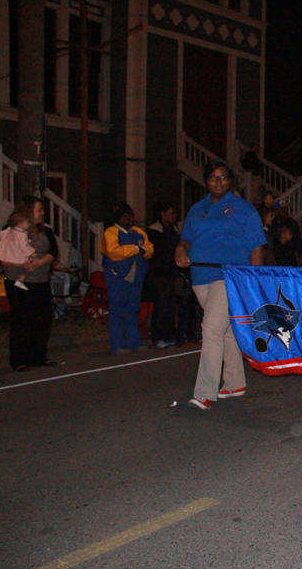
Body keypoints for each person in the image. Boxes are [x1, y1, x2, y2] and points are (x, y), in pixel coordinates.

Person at [175, 159, 266, 410]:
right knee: (224, 331)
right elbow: (186, 239)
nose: (218, 182)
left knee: (211, 329)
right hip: (200, 277)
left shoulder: (244, 210)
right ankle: (235, 382)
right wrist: (180, 251)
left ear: (231, 181)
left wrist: (252, 282)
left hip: (229, 277)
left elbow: (257, 247)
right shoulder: (197, 209)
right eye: (214, 177)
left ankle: (205, 391)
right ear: (206, 181)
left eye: (224, 177)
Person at [0, 197, 60, 371]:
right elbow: (1, 259)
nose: (42, 213)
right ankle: (19, 358)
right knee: (22, 319)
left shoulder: (46, 230)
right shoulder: (10, 231)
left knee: (42, 319)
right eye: (38, 209)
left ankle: (38, 355)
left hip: (41, 281)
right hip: (18, 281)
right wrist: (21, 264)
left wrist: (41, 262)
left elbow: (53, 252)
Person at [100, 203, 153, 355]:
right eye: (125, 216)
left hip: (136, 275)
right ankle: (117, 344)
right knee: (117, 310)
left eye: (130, 215)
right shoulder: (111, 232)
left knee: (133, 309)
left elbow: (149, 249)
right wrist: (136, 249)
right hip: (117, 276)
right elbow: (112, 251)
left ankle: (134, 341)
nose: (129, 219)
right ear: (118, 218)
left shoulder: (138, 232)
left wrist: (142, 250)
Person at [147, 202, 182, 348]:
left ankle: (169, 335)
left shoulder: (173, 230)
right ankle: (157, 337)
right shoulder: (154, 231)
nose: (174, 216)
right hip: (160, 274)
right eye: (171, 213)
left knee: (170, 306)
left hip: (172, 273)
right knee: (160, 306)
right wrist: (157, 275)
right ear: (162, 213)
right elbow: (155, 256)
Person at [0, 209, 38, 291]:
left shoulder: (9, 229)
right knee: (28, 264)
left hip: (7, 253)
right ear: (20, 223)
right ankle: (20, 280)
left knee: (2, 264)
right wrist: (31, 253)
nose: (29, 224)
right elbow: (23, 247)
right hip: (16, 254)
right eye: (27, 222)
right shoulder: (22, 234)